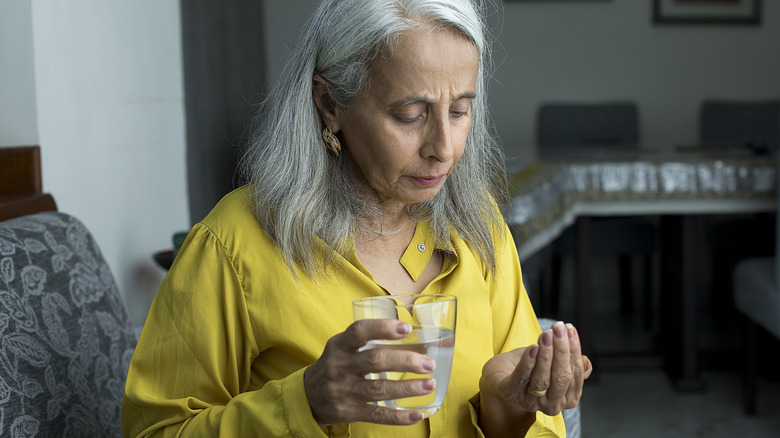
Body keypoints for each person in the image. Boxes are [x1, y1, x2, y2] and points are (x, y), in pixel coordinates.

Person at [122, 0, 592, 436]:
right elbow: (155, 431)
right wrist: (304, 402)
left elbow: (531, 420)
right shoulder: (234, 243)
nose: (444, 149)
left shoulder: (478, 228)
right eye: (410, 114)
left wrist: (507, 405)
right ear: (330, 105)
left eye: (460, 110)